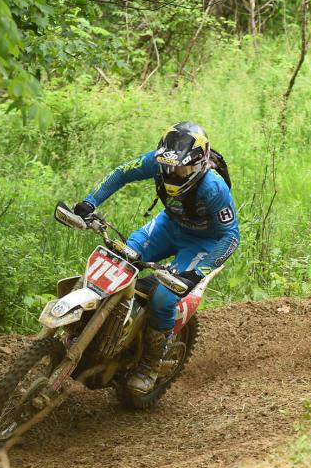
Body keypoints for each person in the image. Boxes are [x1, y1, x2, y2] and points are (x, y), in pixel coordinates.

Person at [73, 121, 240, 393]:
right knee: (118, 262)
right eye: (169, 167)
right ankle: (91, 331)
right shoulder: (158, 162)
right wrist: (90, 202)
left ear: (198, 164)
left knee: (163, 297)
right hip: (169, 226)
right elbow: (121, 173)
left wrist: (196, 273)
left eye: (182, 168)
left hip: (202, 242)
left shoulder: (214, 187)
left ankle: (150, 363)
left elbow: (231, 236)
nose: (173, 173)